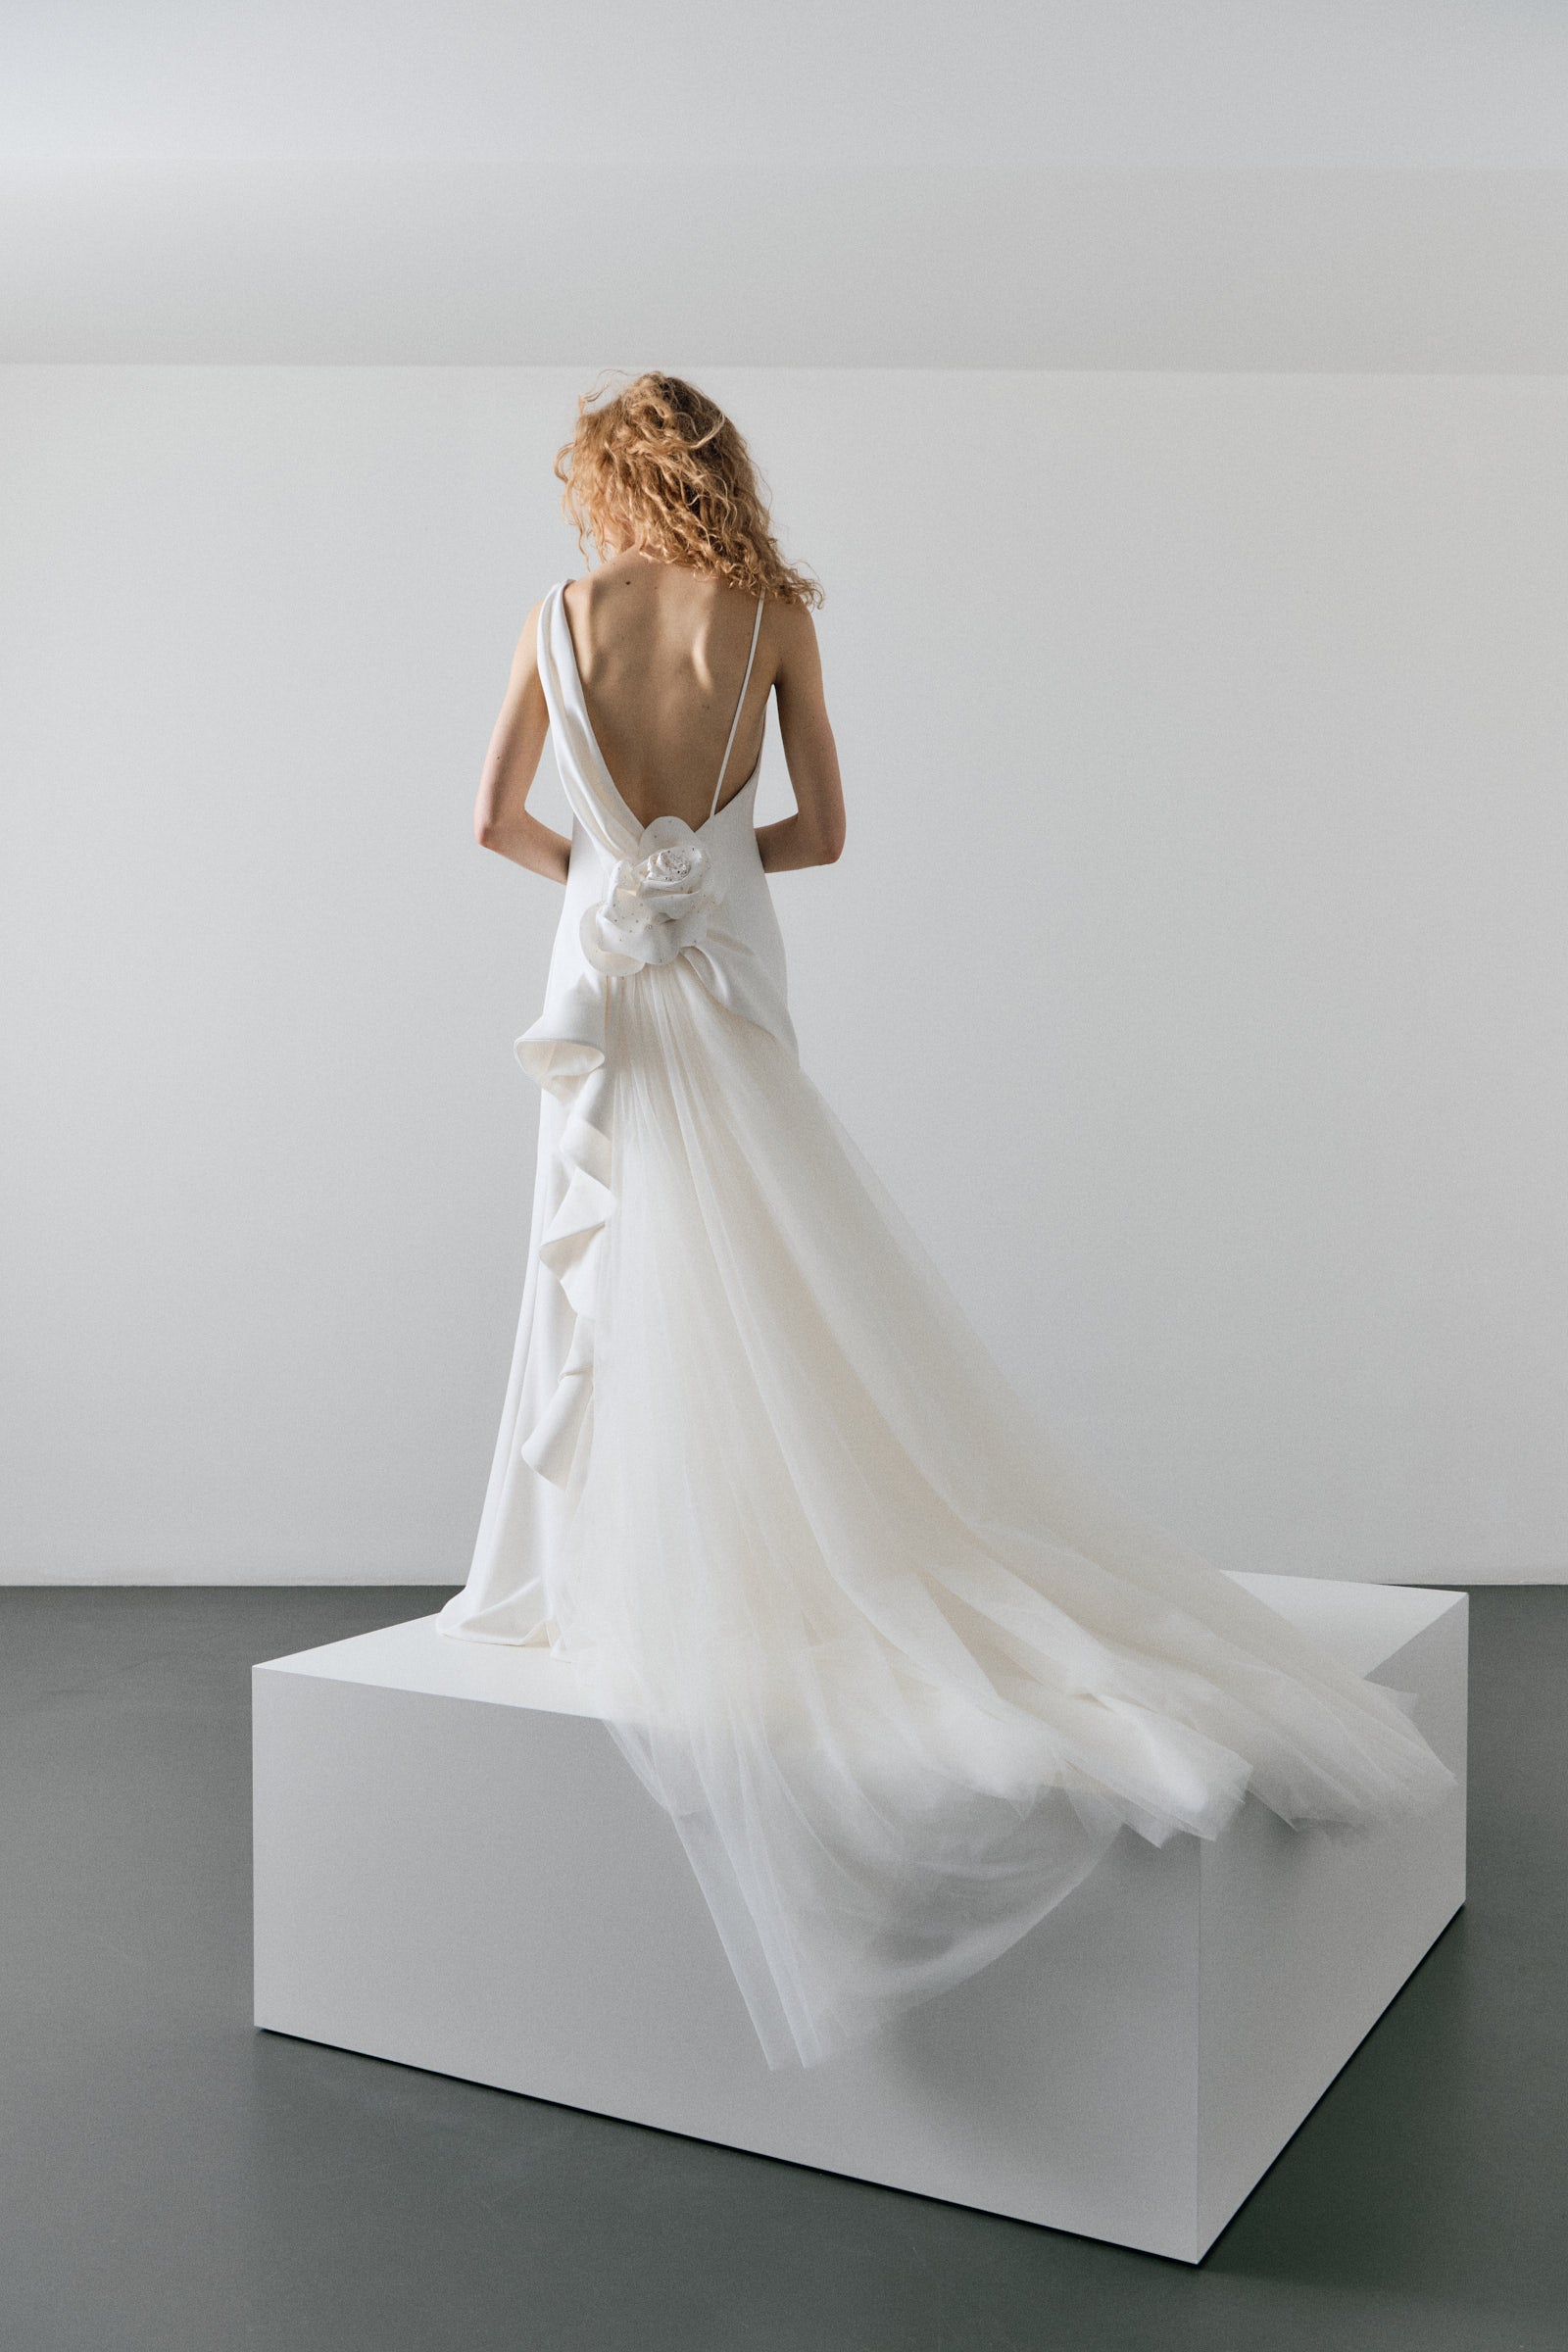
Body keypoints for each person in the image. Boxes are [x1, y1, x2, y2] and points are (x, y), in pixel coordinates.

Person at [439, 371, 1453, 2072]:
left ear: (608, 480)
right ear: (723, 472)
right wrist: (711, 876)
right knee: (781, 1271)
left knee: (612, 1259)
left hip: (605, 984)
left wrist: (619, 886)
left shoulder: (557, 615)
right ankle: (798, 1547)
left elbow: (492, 820)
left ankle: (597, 1572)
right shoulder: (769, 616)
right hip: (735, 977)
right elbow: (823, 831)